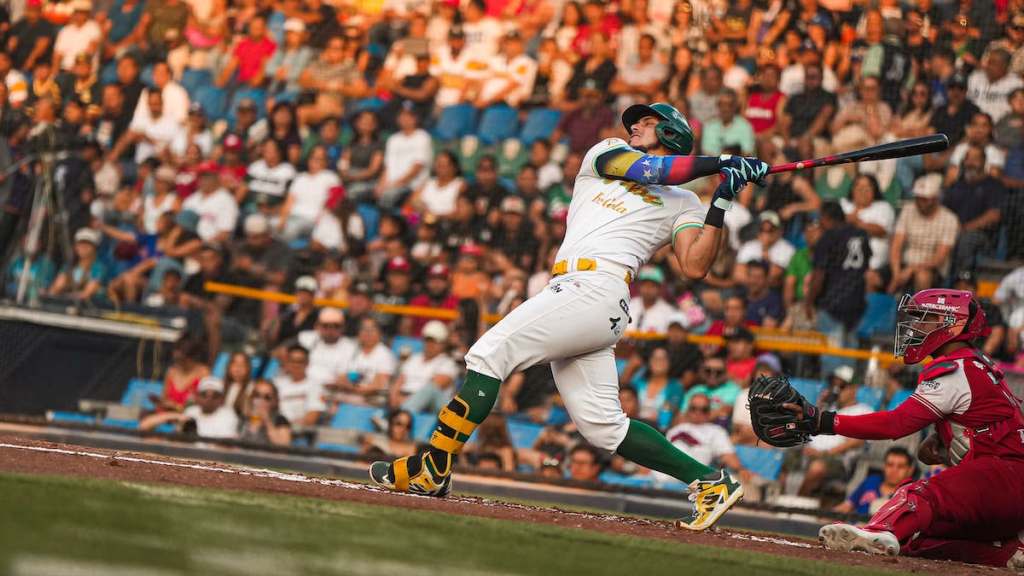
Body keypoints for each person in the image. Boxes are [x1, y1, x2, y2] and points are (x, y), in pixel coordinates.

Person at [369, 100, 770, 532]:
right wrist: (721, 162)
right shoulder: (607, 153)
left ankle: (434, 463)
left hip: (598, 288)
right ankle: (710, 482)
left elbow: (695, 265)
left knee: (487, 355)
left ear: (672, 133)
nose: (634, 126)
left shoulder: (686, 201)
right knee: (603, 427)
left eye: (647, 122)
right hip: (576, 291)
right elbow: (653, 170)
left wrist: (721, 199)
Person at [772, 289, 1024, 571]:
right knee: (916, 539)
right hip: (1008, 489)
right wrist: (942, 443)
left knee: (918, 495)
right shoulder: (976, 366)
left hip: (1002, 480)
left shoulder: (956, 369)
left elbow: (896, 424)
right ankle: (1008, 554)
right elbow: (989, 429)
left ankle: (879, 529)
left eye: (925, 318)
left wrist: (824, 421)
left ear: (953, 325)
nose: (916, 326)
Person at [662, 393, 754, 484]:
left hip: (691, 481)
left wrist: (740, 469)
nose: (698, 412)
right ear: (688, 410)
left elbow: (727, 455)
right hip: (662, 477)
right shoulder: (674, 430)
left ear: (709, 411)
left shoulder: (716, 431)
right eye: (694, 408)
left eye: (704, 409)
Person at [391, 320, 458, 413]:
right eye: (427, 340)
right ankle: (399, 414)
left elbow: (434, 388)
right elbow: (399, 382)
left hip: (432, 407)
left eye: (434, 341)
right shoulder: (413, 359)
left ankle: (400, 415)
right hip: (405, 399)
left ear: (443, 344)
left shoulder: (448, 363)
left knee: (431, 388)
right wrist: (394, 398)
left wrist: (407, 400)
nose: (430, 344)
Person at [140, 376, 239, 439]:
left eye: (215, 395)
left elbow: (224, 447)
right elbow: (144, 426)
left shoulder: (228, 415)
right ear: (197, 397)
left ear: (221, 399)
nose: (209, 399)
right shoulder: (191, 412)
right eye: (204, 394)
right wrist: (175, 416)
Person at [834, 447, 917, 516]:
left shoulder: (910, 494)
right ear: (884, 466)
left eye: (900, 466)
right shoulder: (871, 481)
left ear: (910, 470)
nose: (894, 470)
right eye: (890, 465)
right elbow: (847, 506)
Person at [272, 344, 326, 428]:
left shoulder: (315, 386)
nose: (296, 365)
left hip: (298, 430)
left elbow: (311, 418)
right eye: (292, 361)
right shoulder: (276, 383)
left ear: (307, 363)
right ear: (287, 362)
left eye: (300, 361)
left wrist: (287, 426)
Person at [238, 380, 293, 446]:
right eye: (257, 395)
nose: (261, 400)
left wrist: (267, 421)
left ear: (274, 401)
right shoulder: (245, 418)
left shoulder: (280, 420)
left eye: (267, 397)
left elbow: (284, 445)